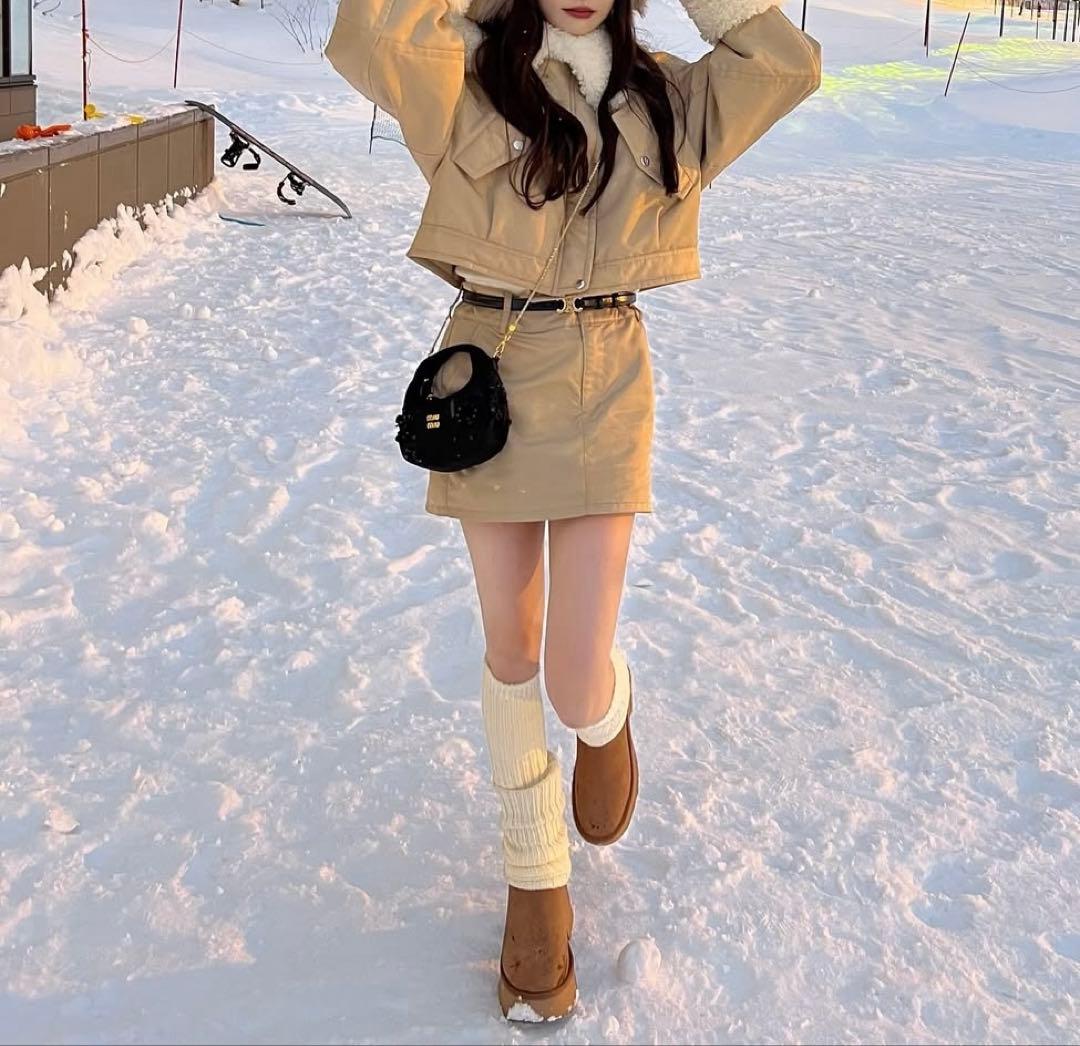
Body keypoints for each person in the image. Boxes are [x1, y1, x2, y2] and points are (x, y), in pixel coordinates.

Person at [326, 0, 820, 1022]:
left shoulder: (669, 94)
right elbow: (370, 31)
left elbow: (787, 63)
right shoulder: (462, 71)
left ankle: (607, 715)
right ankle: (535, 887)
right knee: (512, 645)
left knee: (573, 667)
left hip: (607, 371)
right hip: (487, 370)